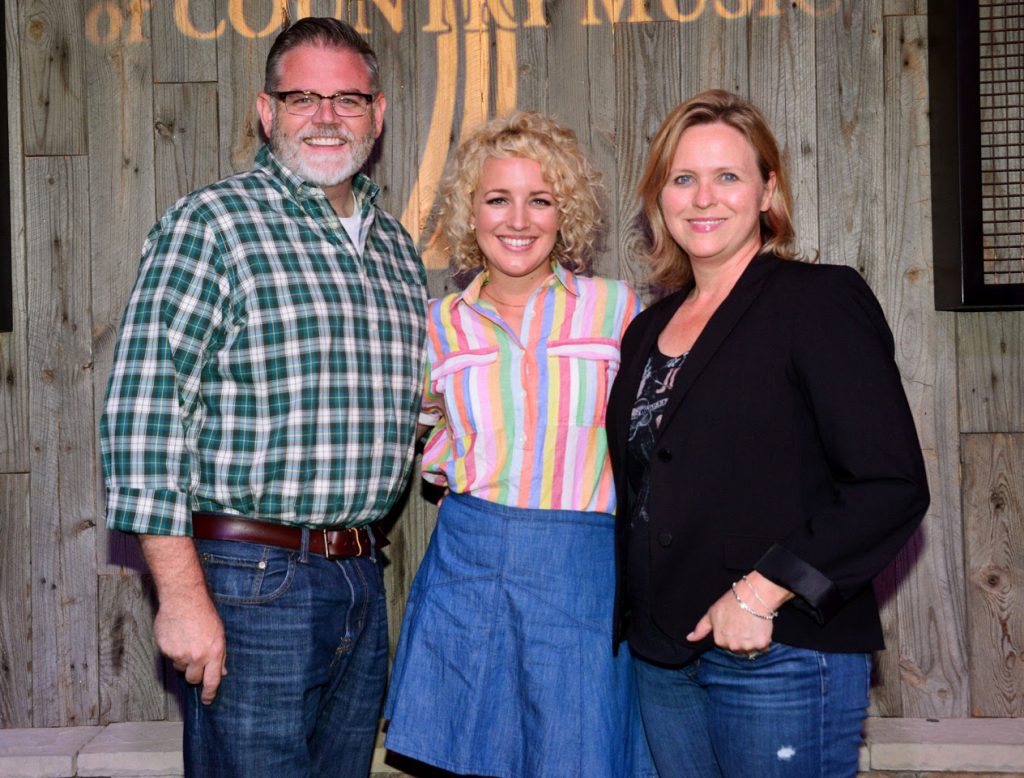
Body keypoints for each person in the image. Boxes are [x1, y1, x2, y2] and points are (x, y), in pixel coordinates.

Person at [99, 18, 427, 777]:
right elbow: (144, 411)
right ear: (267, 110)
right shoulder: (213, 224)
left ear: (377, 116)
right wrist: (180, 596)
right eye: (303, 96)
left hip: (357, 574)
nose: (326, 116)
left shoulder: (395, 249)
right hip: (250, 582)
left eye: (347, 98)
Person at [605, 89, 930, 778]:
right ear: (658, 196)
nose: (703, 198)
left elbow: (890, 486)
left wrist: (760, 593)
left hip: (779, 652)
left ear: (767, 191)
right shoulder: (643, 333)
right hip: (663, 659)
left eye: (728, 176)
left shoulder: (817, 301)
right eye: (682, 178)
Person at [382, 111, 654, 778]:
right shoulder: (435, 327)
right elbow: (417, 436)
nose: (519, 219)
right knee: (473, 757)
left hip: (584, 570)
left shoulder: (618, 309)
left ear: (567, 214)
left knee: (582, 753)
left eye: (541, 200)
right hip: (469, 569)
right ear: (469, 212)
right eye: (497, 199)